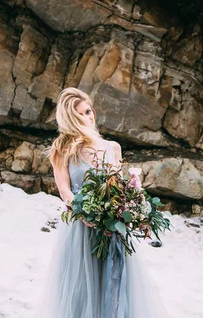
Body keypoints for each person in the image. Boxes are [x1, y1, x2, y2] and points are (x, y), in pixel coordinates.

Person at [33, 87, 168, 318]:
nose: (88, 117)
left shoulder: (112, 148)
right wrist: (83, 212)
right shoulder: (62, 149)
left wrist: (134, 209)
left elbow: (119, 187)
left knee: (115, 287)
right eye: (80, 115)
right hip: (80, 232)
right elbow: (64, 190)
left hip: (112, 230)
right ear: (70, 119)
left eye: (88, 111)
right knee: (82, 292)